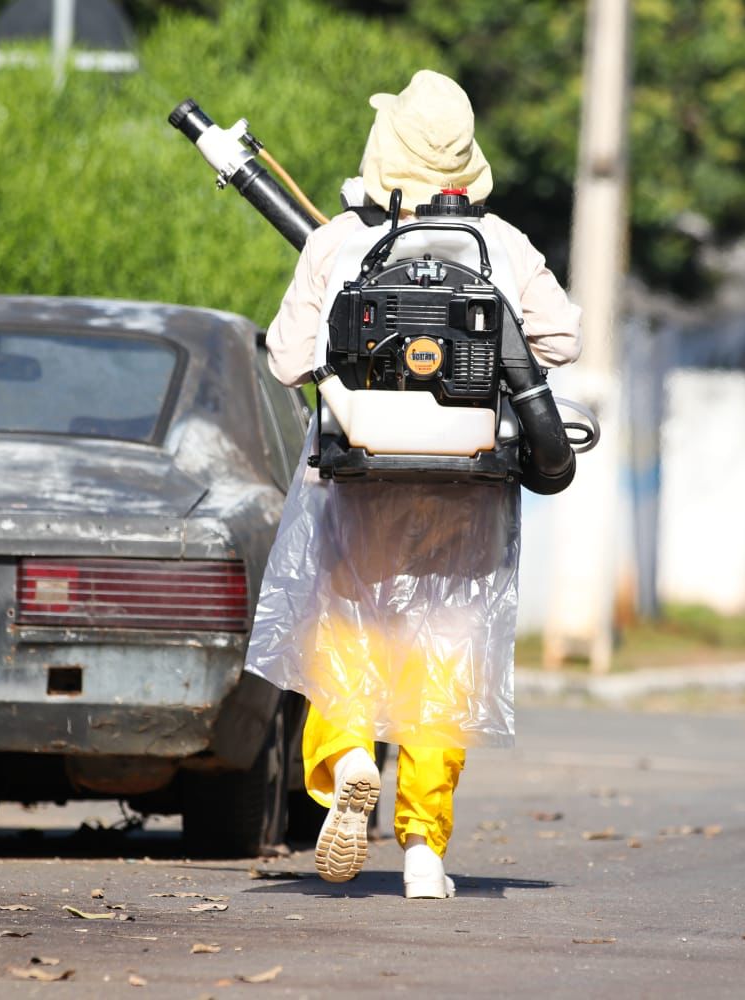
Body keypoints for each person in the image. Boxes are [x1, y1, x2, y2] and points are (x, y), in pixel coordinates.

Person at [246, 69, 581, 899]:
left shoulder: (339, 241)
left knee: (345, 634)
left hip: (358, 476)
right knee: (444, 650)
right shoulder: (500, 243)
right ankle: (425, 851)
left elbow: (286, 359)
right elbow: (563, 340)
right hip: (466, 482)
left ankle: (348, 759)